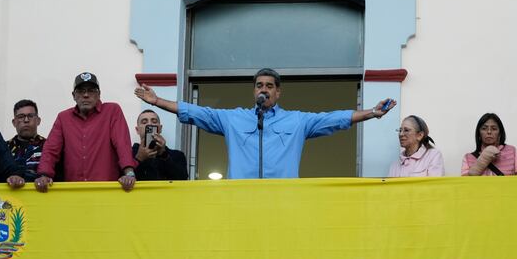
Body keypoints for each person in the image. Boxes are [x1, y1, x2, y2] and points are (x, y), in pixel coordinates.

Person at [134, 68, 395, 179]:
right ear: (253, 90)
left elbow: (333, 119)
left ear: (278, 92)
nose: (264, 89)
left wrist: (371, 112)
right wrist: (157, 101)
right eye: (259, 85)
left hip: (283, 201)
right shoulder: (233, 118)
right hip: (240, 201)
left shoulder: (297, 121)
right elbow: (196, 112)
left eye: (270, 86)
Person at [35, 72, 137, 192]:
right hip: (74, 190)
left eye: (91, 91)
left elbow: (122, 143)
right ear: (73, 95)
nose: (86, 95)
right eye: (81, 91)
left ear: (99, 94)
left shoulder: (112, 111)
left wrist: (129, 172)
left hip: (107, 189)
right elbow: (51, 149)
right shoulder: (63, 118)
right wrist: (44, 175)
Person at [132, 110, 188, 181]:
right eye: (144, 122)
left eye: (154, 122)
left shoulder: (177, 155)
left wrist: (164, 155)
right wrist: (139, 159)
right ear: (137, 130)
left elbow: (182, 179)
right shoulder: (128, 155)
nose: (150, 124)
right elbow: (123, 179)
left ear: (160, 128)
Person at [7, 99, 46, 182]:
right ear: (14, 122)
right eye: (21, 116)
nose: (26, 120)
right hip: (10, 194)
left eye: (30, 116)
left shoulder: (49, 147)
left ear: (38, 121)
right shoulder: (4, 148)